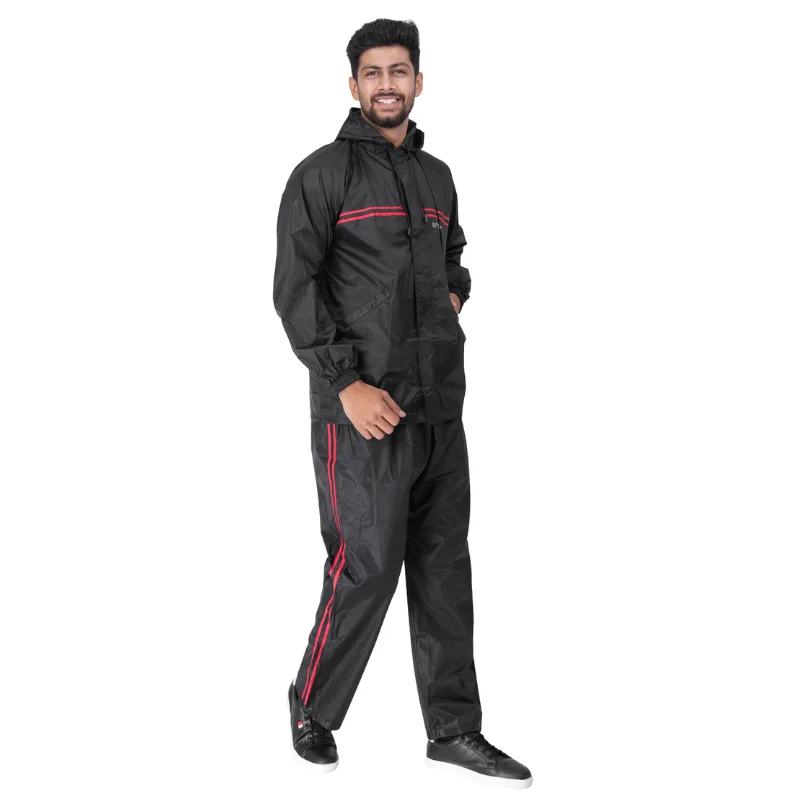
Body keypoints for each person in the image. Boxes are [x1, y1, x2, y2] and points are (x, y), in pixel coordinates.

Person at [273, 18, 532, 789]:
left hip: (440, 408)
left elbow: (453, 257)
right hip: (364, 413)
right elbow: (294, 288)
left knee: (445, 569)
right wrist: (345, 384)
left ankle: (454, 729)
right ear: (353, 85)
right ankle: (312, 706)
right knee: (367, 566)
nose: (387, 84)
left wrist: (454, 294)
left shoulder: (437, 177)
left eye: (399, 71)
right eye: (373, 72)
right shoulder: (322, 175)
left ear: (419, 82)